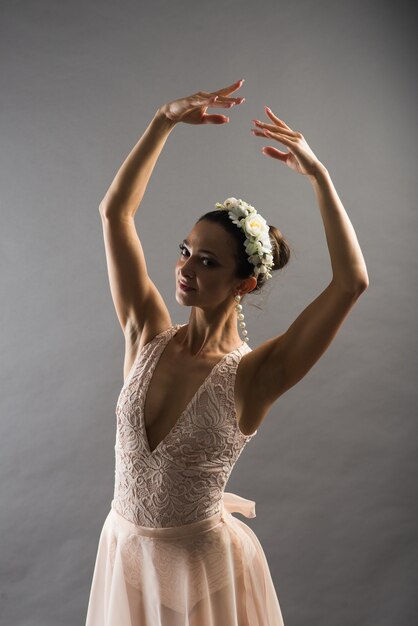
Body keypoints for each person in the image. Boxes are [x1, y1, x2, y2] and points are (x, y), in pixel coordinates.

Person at [85, 79, 369, 626]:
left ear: (245, 283)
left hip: (204, 577)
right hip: (124, 554)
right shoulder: (146, 331)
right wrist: (161, 121)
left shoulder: (255, 376)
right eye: (185, 251)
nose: (186, 269)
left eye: (208, 262)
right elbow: (114, 214)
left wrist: (321, 178)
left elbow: (350, 282)